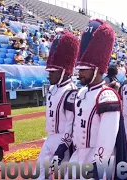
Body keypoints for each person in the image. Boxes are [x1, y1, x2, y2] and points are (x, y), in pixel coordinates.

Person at [65, 19, 127, 180]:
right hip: (78, 155)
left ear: (96, 69)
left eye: (83, 69)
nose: (79, 73)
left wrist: (97, 167)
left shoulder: (107, 96)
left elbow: (106, 140)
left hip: (97, 159)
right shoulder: (81, 93)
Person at [34, 31, 80, 180]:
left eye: (52, 71)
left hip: (64, 143)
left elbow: (71, 124)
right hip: (50, 139)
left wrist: (62, 148)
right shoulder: (52, 89)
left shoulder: (71, 91)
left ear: (64, 71)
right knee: (40, 173)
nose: (49, 74)